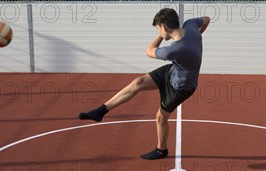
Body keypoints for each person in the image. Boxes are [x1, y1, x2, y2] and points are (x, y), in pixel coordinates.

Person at [79, 8, 211, 160]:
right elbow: (206, 19)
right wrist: (197, 37)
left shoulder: (173, 50)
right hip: (173, 71)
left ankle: (161, 150)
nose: (158, 31)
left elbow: (149, 50)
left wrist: (161, 35)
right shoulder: (190, 26)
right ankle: (101, 111)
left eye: (158, 28)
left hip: (181, 87)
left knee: (161, 117)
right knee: (138, 82)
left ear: (163, 27)